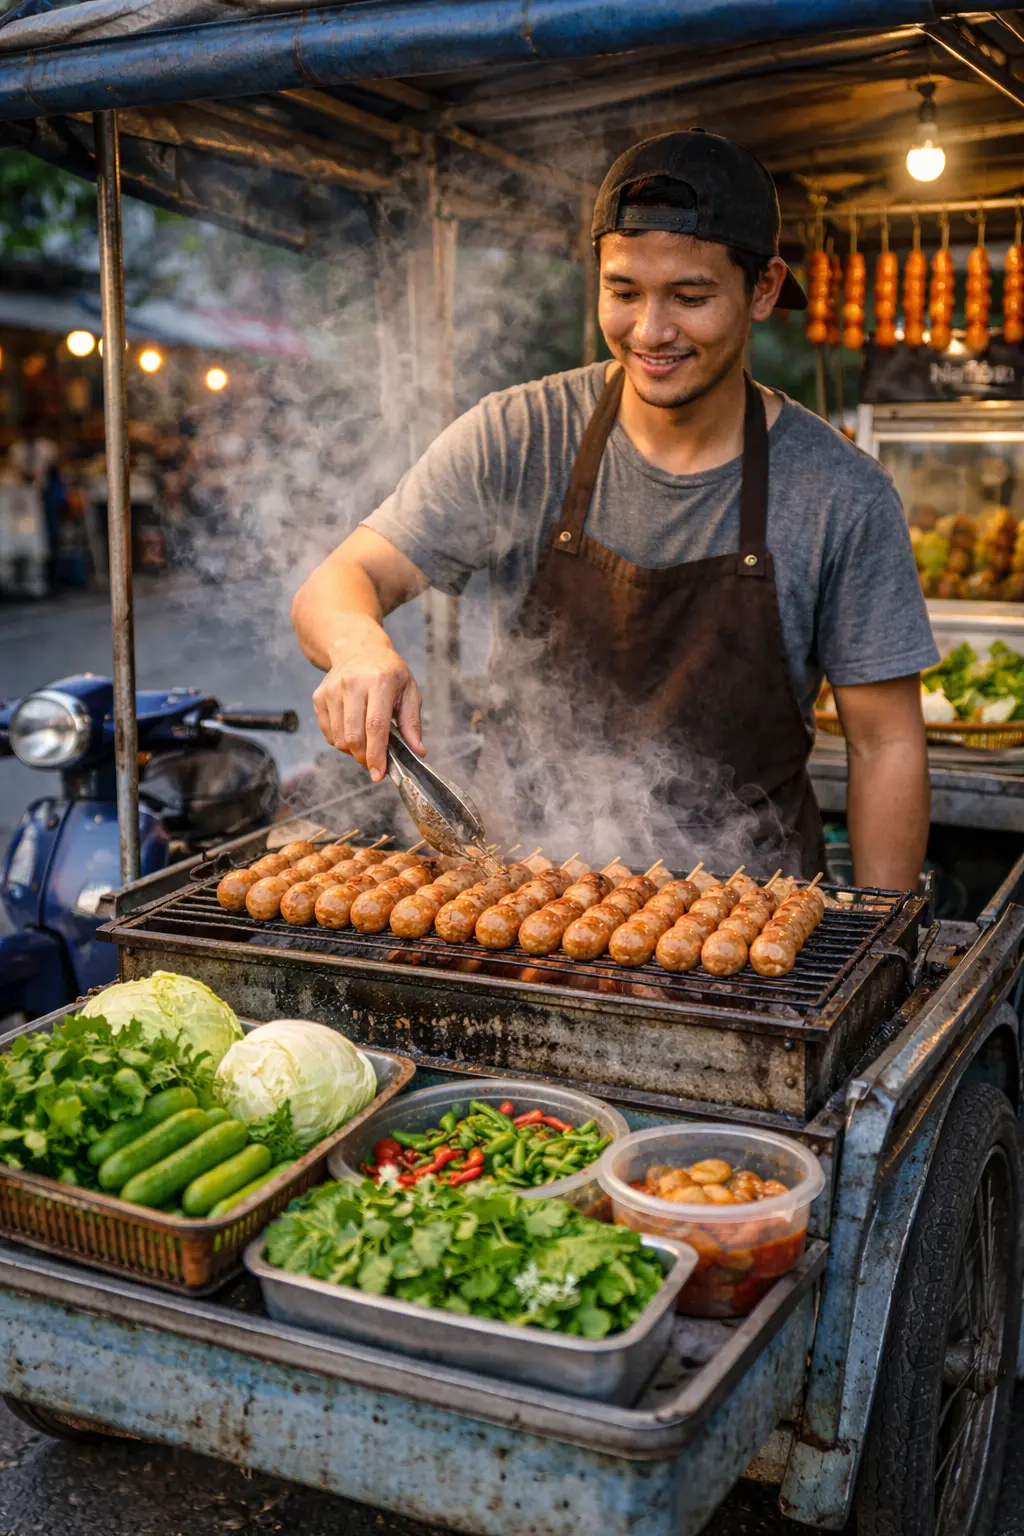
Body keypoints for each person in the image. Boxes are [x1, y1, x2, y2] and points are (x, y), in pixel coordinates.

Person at [292, 130, 936, 886]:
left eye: (690, 298)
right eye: (623, 292)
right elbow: (338, 582)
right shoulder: (520, 435)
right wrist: (361, 646)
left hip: (754, 922)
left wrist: (885, 947)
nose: (651, 331)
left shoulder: (840, 494)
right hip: (522, 899)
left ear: (763, 289)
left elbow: (886, 743)